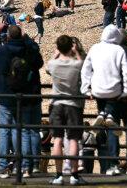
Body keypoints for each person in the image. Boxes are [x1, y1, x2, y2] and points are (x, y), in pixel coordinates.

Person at [0, 24, 43, 179]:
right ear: (20, 35)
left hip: (4, 95)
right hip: (22, 94)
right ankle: (23, 167)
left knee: (5, 131)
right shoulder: (28, 50)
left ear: (8, 36)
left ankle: (3, 167)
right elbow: (38, 56)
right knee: (21, 131)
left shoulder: (2, 51)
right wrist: (27, 38)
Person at [81, 25, 127, 176]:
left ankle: (103, 114)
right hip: (114, 92)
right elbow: (126, 72)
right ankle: (107, 115)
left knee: (106, 126)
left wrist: (86, 88)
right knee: (112, 128)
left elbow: (86, 69)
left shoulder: (94, 48)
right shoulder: (118, 50)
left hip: (97, 90)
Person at [47, 34, 85, 185]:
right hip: (73, 104)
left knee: (57, 139)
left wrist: (56, 53)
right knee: (73, 139)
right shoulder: (76, 64)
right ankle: (74, 175)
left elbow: (48, 66)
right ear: (71, 46)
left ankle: (58, 175)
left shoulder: (53, 64)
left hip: (56, 103)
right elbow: (81, 62)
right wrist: (75, 52)